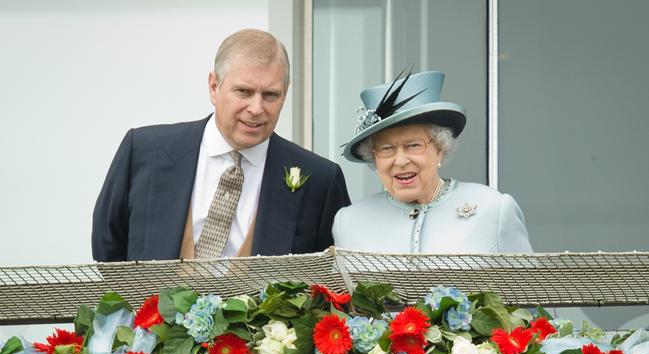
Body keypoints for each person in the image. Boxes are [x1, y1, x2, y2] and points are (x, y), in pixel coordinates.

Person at [92, 29, 350, 261]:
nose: (257, 108)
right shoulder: (144, 151)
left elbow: (330, 276)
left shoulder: (321, 180)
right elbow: (108, 247)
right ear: (214, 87)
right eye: (244, 92)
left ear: (285, 92)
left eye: (270, 95)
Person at [333, 69, 532, 253]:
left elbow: (527, 290)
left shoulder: (494, 210)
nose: (400, 161)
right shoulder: (349, 222)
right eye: (387, 149)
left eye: (414, 145)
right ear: (374, 158)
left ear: (439, 149)